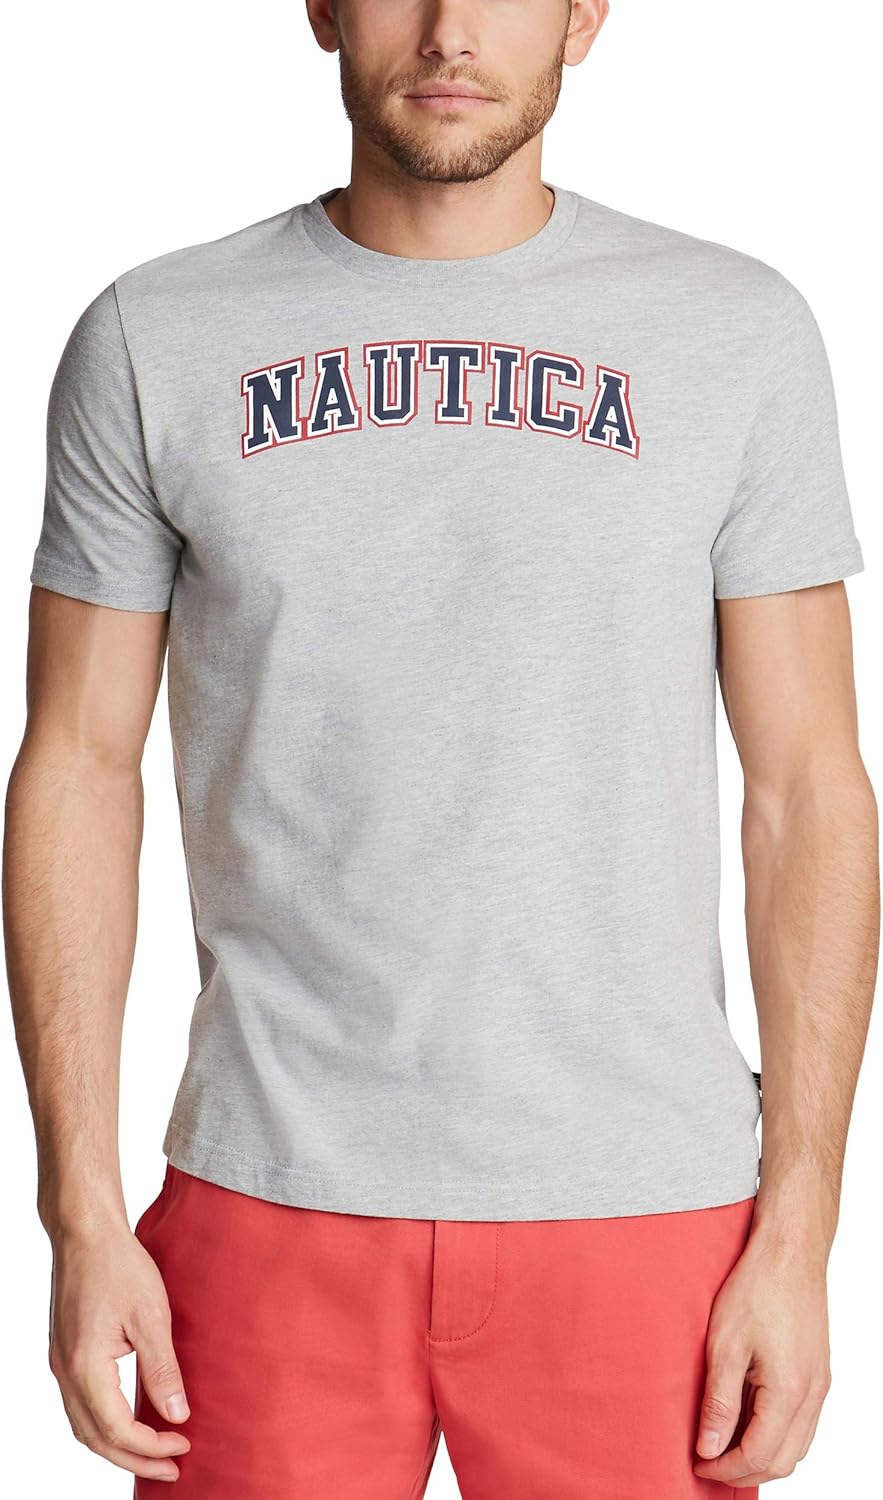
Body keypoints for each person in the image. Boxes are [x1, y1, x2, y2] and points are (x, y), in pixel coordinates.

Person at [4, 0, 878, 1494]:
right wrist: (79, 1216)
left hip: (643, 1207)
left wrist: (800, 1232)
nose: (451, 29)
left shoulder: (734, 331)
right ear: (324, 8)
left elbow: (808, 789)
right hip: (266, 1198)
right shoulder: (156, 335)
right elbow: (76, 765)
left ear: (585, 17)